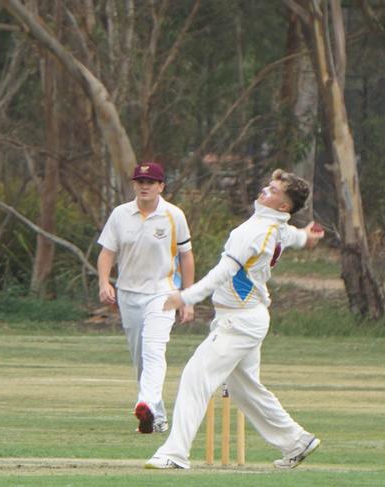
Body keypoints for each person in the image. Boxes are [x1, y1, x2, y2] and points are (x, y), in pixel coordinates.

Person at [145, 168, 324, 469]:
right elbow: (291, 235)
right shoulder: (273, 225)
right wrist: (306, 237)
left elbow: (223, 273)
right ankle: (297, 441)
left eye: (275, 191)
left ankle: (174, 454)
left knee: (195, 377)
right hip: (246, 317)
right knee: (244, 389)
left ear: (284, 207)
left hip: (238, 322)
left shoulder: (253, 232)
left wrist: (185, 296)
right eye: (268, 185)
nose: (265, 190)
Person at [97, 161, 195, 434]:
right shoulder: (120, 214)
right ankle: (157, 417)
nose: (144, 186)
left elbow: (186, 256)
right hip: (129, 294)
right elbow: (107, 252)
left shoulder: (174, 215)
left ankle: (146, 403)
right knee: (141, 358)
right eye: (140, 181)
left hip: (162, 293)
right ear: (134, 185)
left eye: (150, 182)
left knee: (154, 350)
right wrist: (104, 282)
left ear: (161, 186)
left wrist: (188, 297)